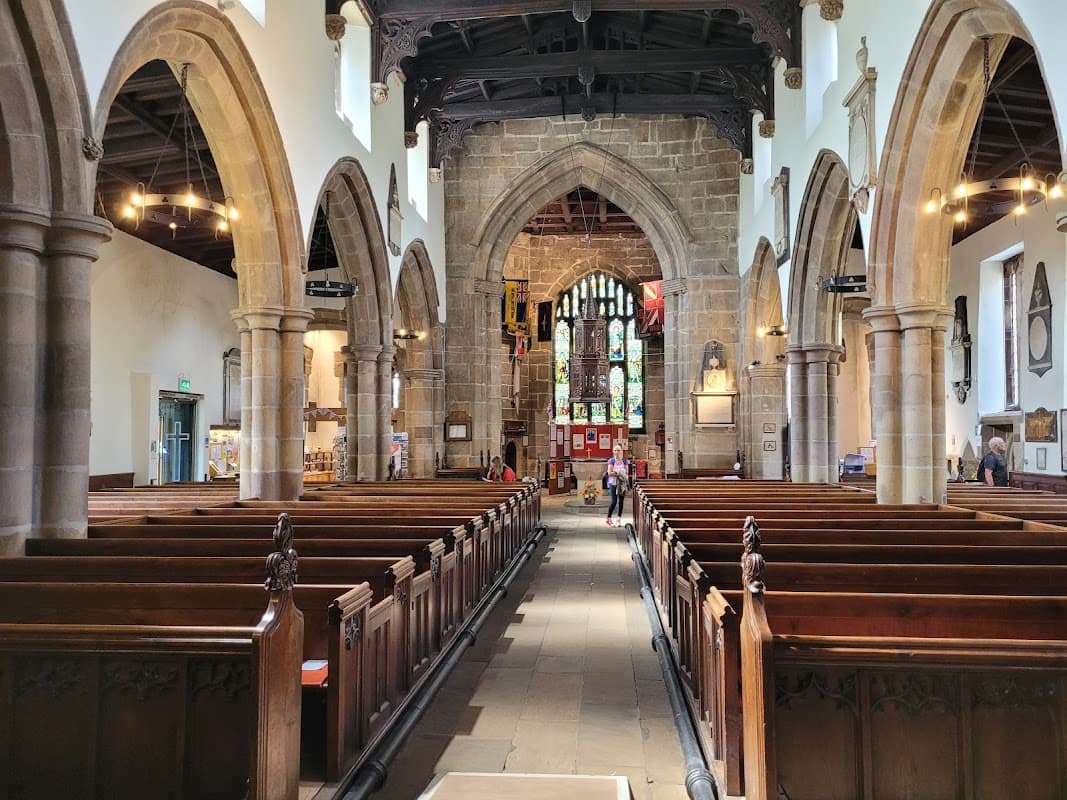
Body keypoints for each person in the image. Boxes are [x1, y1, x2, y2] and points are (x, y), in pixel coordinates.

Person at [603, 444, 629, 527]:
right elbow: (609, 473)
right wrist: (619, 473)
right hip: (613, 483)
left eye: (618, 450)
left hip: (622, 483)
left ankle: (618, 519)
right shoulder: (611, 460)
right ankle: (608, 519)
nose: (617, 452)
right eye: (615, 450)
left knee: (621, 501)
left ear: (621, 451)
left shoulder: (624, 461)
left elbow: (626, 472)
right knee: (614, 501)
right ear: (613, 452)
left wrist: (617, 473)